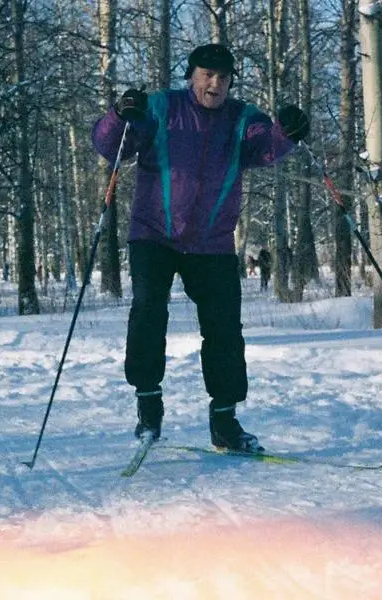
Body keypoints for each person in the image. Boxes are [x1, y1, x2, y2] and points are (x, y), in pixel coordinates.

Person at [91, 43, 309, 452]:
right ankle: (149, 408)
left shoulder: (242, 118)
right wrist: (120, 115)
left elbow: (266, 147)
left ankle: (225, 421)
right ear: (191, 75)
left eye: (223, 77)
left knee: (225, 328)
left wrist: (286, 132)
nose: (215, 83)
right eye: (207, 74)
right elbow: (110, 146)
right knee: (148, 310)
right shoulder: (159, 108)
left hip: (212, 242)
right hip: (153, 234)